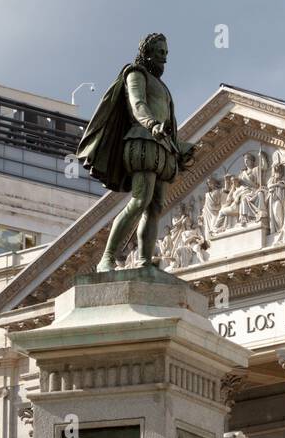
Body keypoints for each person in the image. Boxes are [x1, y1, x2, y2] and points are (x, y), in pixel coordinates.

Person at [76, 32, 196, 271]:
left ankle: (144, 261)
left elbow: (168, 123)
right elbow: (137, 104)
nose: (164, 58)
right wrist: (151, 125)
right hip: (142, 142)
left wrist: (181, 147)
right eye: (159, 52)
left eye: (166, 53)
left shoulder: (162, 86)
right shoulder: (135, 73)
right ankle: (107, 258)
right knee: (140, 200)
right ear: (147, 52)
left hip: (162, 148)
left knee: (155, 207)